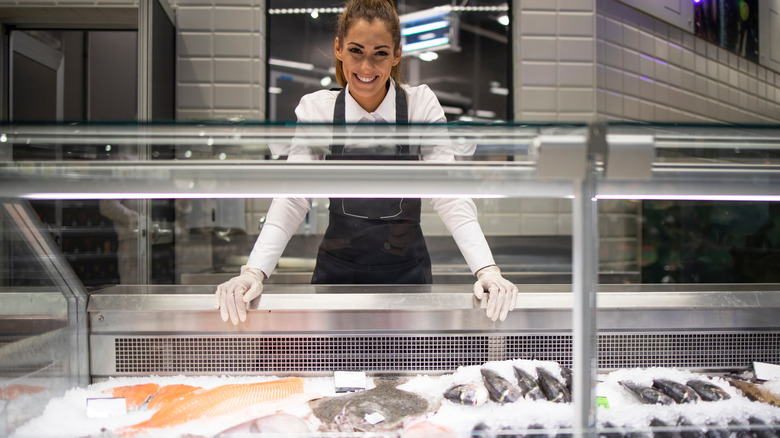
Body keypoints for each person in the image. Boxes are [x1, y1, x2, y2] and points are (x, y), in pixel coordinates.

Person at [215, 0, 518, 325]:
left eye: (380, 53)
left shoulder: (420, 106)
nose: (367, 66)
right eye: (356, 51)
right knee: (334, 372)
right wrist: (253, 271)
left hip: (407, 275)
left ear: (397, 54)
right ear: (339, 49)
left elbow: (449, 193)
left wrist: (487, 269)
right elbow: (293, 197)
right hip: (337, 274)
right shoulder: (318, 111)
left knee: (408, 372)